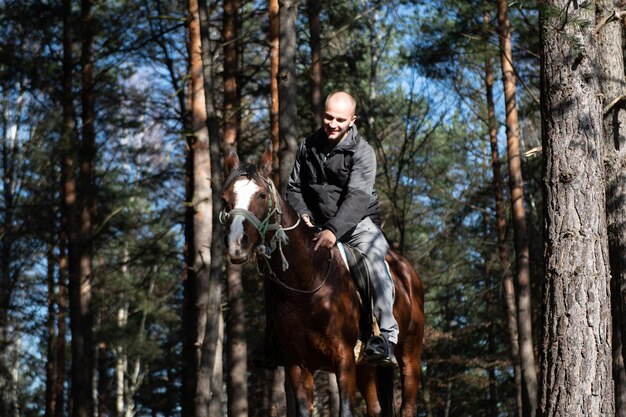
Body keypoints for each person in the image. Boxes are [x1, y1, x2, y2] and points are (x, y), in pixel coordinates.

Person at [285, 91, 398, 365]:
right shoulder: (307, 146)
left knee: (374, 260)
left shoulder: (363, 152)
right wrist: (303, 214)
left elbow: (357, 198)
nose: (332, 124)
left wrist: (333, 231)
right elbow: (294, 188)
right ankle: (276, 338)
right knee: (281, 261)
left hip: (358, 224)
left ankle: (386, 337)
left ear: (352, 120)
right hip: (316, 224)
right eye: (328, 117)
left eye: (340, 119)